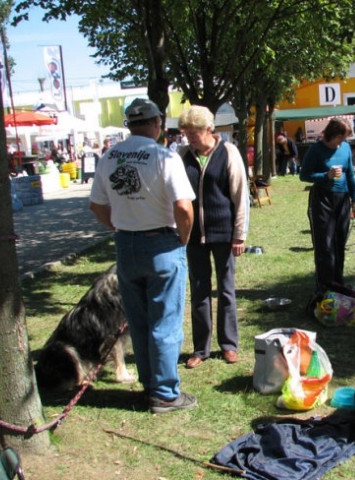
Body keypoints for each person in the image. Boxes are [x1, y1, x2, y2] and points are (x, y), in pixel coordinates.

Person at [89, 98, 197, 414]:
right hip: (162, 244)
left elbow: (96, 205)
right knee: (165, 322)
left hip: (126, 246)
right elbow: (183, 207)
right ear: (157, 123)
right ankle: (164, 394)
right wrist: (183, 239)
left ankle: (151, 386)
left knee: (138, 322)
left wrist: (120, 227)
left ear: (129, 125)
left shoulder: (109, 157)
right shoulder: (165, 157)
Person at [178, 105, 249, 370]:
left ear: (209, 129)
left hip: (224, 234)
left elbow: (240, 196)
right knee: (199, 290)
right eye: (186, 132)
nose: (189, 137)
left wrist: (239, 235)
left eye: (193, 132)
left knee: (226, 290)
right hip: (193, 236)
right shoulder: (182, 155)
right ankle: (200, 348)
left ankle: (229, 345)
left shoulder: (228, 152)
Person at [300, 118, 355, 293]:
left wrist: (354, 197)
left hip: (342, 199)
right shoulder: (316, 150)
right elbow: (304, 175)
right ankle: (325, 286)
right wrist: (325, 176)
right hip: (322, 199)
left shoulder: (346, 148)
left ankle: (338, 282)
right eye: (341, 138)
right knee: (324, 245)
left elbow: (349, 174)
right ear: (332, 134)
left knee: (339, 242)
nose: (342, 143)